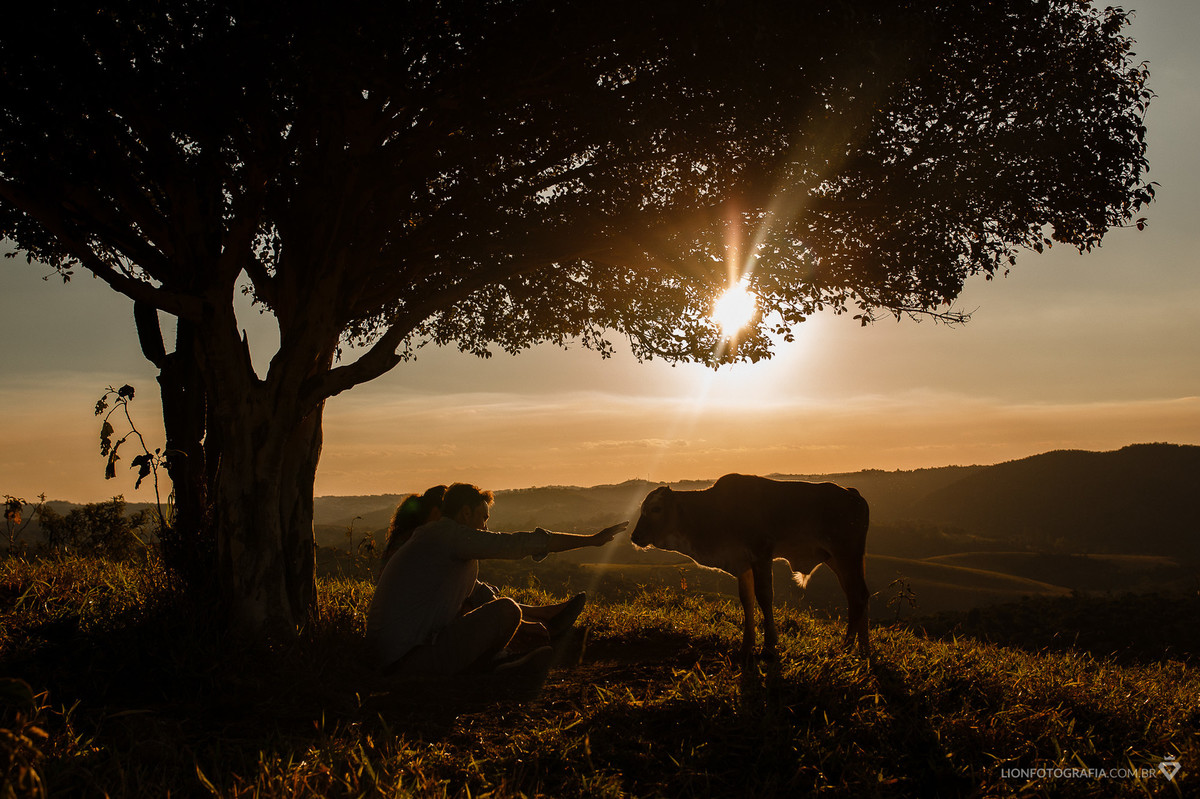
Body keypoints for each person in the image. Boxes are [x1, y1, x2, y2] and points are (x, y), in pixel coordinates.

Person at [366, 482, 625, 678]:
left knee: (496, 606)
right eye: (483, 518)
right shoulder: (447, 537)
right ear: (466, 514)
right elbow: (517, 544)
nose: (486, 528)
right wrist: (590, 540)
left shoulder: (435, 542)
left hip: (397, 658)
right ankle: (498, 666)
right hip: (408, 663)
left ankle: (505, 658)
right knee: (505, 611)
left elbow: (475, 594)